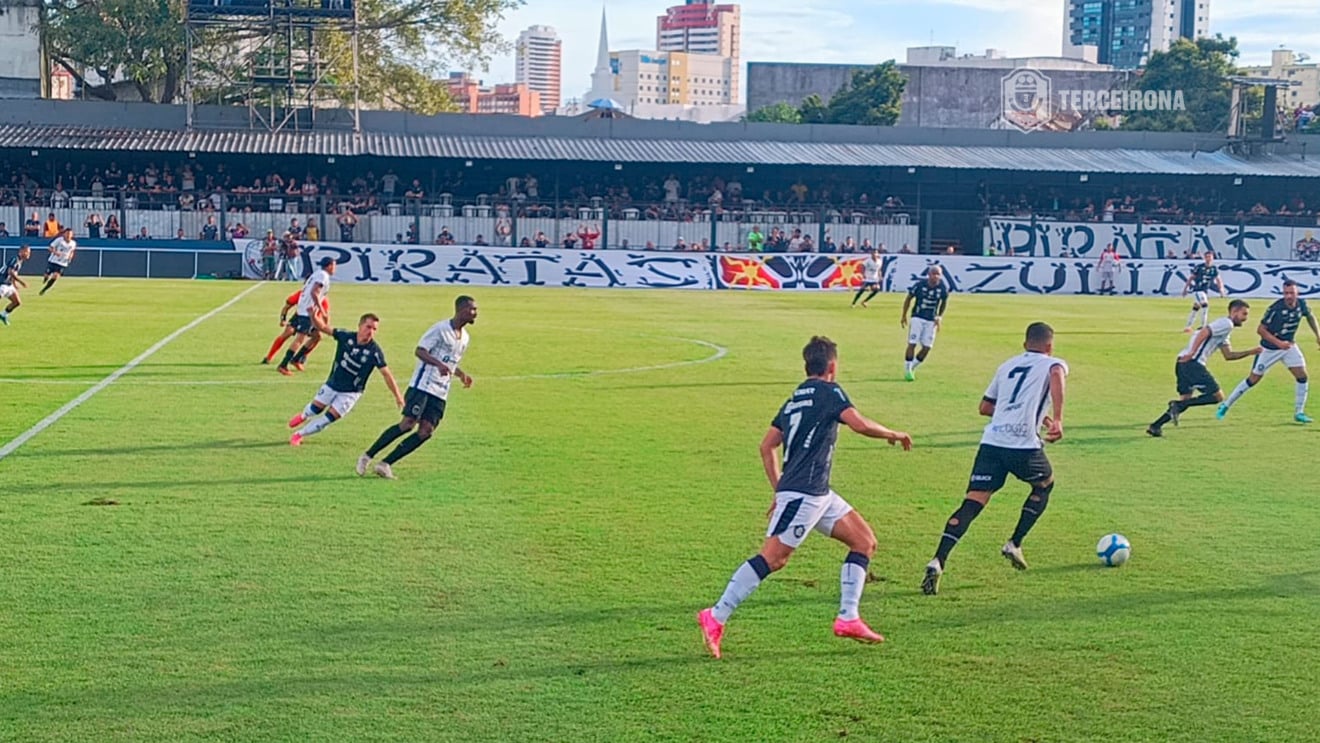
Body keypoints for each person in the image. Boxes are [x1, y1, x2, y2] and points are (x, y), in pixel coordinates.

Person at [696, 336, 913, 658]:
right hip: (804, 493)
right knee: (773, 558)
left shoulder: (795, 397)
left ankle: (848, 617)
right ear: (833, 366)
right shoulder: (830, 391)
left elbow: (767, 445)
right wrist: (893, 434)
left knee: (864, 541)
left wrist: (778, 487)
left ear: (806, 365)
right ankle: (715, 616)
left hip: (817, 493)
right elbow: (860, 424)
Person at [922, 322, 1067, 596]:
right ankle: (1014, 542)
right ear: (1049, 346)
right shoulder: (1054, 363)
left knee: (973, 501)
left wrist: (1034, 415)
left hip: (992, 443)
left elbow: (985, 407)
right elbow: (1057, 373)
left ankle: (937, 560)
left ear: (1025, 344)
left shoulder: (1007, 365)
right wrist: (1057, 419)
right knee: (1045, 484)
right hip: (1022, 445)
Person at [357, 295, 477, 479]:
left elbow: (450, 362)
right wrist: (437, 364)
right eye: (472, 309)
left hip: (441, 391)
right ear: (461, 310)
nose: (475, 313)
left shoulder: (465, 338)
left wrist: (461, 375)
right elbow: (420, 351)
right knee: (407, 424)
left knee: (426, 431)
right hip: (423, 385)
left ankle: (385, 464)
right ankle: (367, 456)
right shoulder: (440, 329)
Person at [288, 312, 404, 447]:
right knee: (315, 409)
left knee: (329, 418)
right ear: (360, 326)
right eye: (368, 327)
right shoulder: (346, 336)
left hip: (351, 392)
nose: (370, 332)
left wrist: (398, 396)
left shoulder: (374, 351)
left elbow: (386, 374)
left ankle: (299, 435)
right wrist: (313, 315)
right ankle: (304, 416)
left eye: (374, 329)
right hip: (332, 384)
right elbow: (324, 328)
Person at [1147, 300, 1258, 437]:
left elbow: (1228, 355)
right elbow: (1204, 332)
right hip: (1193, 363)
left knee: (1185, 400)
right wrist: (1192, 353)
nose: (1245, 318)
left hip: (1182, 363)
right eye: (1244, 314)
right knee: (1217, 396)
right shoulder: (1226, 324)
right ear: (1234, 311)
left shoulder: (1224, 331)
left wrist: (1252, 352)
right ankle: (1174, 405)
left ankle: (1155, 426)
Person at [1217, 280, 1320, 424]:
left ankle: (1299, 412)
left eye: (1291, 293)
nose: (1288, 296)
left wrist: (1318, 335)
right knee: (1253, 380)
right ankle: (1226, 405)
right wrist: (1278, 343)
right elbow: (1260, 330)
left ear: (1298, 293)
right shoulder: (1275, 308)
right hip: (1269, 349)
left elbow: (1310, 316)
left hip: (1289, 346)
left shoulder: (1302, 304)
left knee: (1302, 376)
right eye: (1286, 293)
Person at [277, 257, 336, 376]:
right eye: (334, 265)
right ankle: (283, 365)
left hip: (305, 309)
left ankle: (296, 359)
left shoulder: (318, 274)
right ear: (329, 266)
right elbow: (314, 292)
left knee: (316, 336)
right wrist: (321, 309)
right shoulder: (322, 276)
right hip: (307, 312)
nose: (335, 268)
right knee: (300, 339)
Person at [900, 266, 949, 381]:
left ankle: (912, 367)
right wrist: (904, 315)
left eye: (938, 274)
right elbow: (908, 298)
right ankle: (907, 370)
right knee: (912, 343)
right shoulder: (920, 285)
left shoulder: (942, 287)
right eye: (933, 274)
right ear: (929, 274)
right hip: (918, 317)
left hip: (931, 320)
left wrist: (939, 316)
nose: (936, 276)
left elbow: (944, 302)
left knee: (927, 347)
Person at [263, 289, 330, 364]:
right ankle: (269, 357)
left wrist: (324, 327)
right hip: (298, 317)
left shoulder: (322, 299)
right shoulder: (301, 294)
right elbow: (286, 307)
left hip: (313, 320)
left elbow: (325, 315)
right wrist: (283, 319)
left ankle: (302, 356)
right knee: (288, 332)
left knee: (317, 337)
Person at [1181, 251, 1227, 333]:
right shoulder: (1199, 267)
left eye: (1210, 257)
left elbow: (1218, 280)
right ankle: (1204, 326)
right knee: (1205, 306)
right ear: (1204, 258)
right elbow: (1191, 278)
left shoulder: (1214, 269)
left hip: (1204, 291)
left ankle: (1188, 326)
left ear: (1213, 258)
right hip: (1198, 290)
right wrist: (1185, 289)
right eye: (1207, 257)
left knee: (1196, 308)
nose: (1208, 259)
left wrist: (1221, 290)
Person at [40, 228, 77, 296]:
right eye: (67, 233)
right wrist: (55, 252)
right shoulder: (59, 240)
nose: (68, 235)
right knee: (46, 275)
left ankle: (44, 289)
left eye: (70, 234)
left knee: (55, 276)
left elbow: (72, 251)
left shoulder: (73, 243)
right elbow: (50, 248)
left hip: (62, 263)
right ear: (64, 234)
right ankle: (45, 278)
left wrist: (70, 257)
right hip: (53, 261)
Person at [0, 245, 32, 326]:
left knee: (17, 302)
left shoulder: (20, 261)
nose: (28, 254)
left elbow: (13, 273)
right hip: (2, 283)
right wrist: (21, 282)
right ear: (21, 252)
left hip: (8, 284)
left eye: (29, 252)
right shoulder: (15, 259)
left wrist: (14, 284)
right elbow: (10, 272)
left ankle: (3, 315)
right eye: (27, 252)